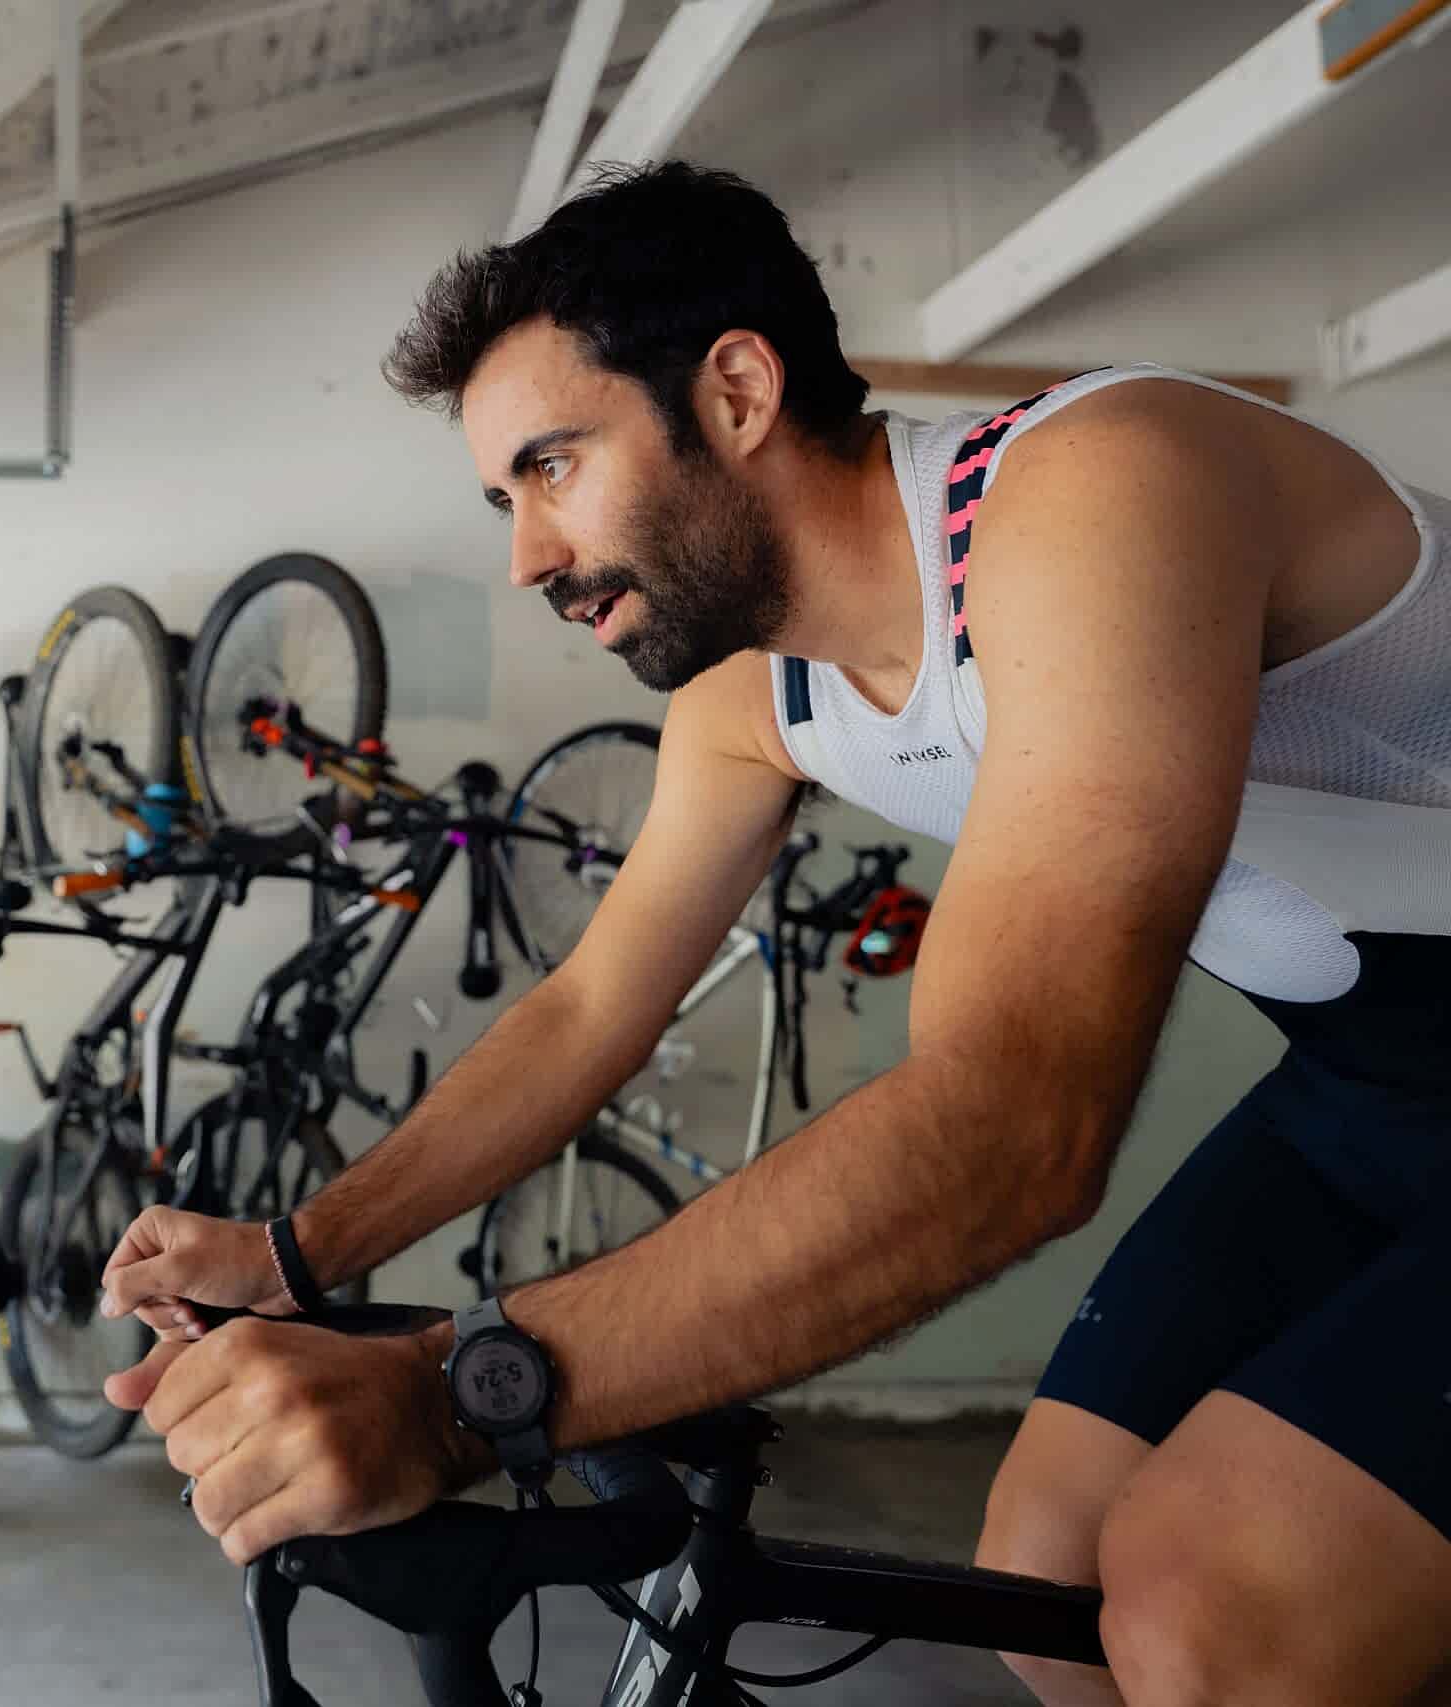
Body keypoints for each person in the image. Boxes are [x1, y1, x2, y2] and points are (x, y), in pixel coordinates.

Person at [97, 163, 1450, 1707]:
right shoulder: (759, 701)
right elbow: (589, 1004)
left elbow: (1017, 1123)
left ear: (737, 388)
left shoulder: (1098, 488)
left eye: (554, 464)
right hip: (1369, 1086)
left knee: (1215, 1614)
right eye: (505, 499)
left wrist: (467, 1395)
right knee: (1045, 1574)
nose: (529, 556)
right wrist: (300, 1251)